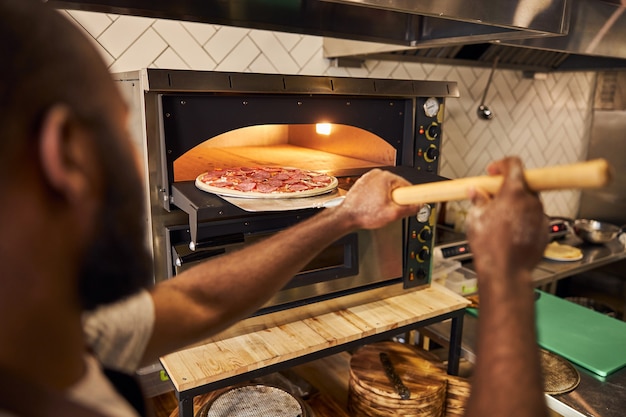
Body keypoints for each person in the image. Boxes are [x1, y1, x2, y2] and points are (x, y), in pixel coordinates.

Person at [0, 1, 549, 416]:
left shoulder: (52, 333)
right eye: (123, 131)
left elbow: (196, 297)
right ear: (68, 153)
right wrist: (506, 276)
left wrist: (343, 215)